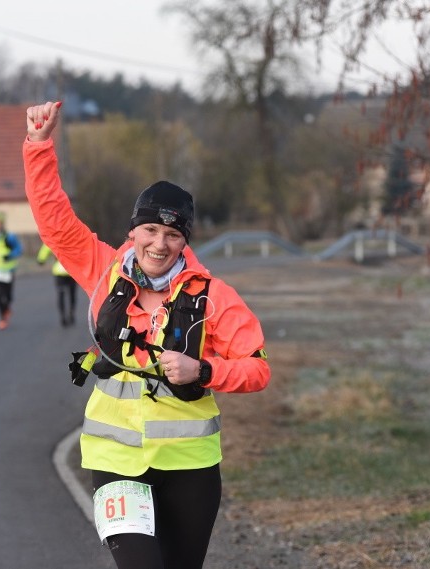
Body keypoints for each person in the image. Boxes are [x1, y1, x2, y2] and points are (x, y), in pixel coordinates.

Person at [23, 101, 270, 569]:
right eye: (150, 230)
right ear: (133, 231)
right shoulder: (102, 271)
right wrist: (38, 145)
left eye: (173, 235)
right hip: (115, 461)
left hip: (189, 465)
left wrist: (206, 369)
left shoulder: (214, 295)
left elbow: (258, 368)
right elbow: (54, 221)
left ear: (186, 241)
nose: (160, 243)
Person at [36, 242, 79, 327]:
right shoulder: (72, 237)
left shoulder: (54, 238)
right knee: (72, 294)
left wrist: (41, 259)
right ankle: (71, 312)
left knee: (61, 295)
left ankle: (63, 316)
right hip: (72, 271)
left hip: (59, 272)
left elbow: (46, 246)